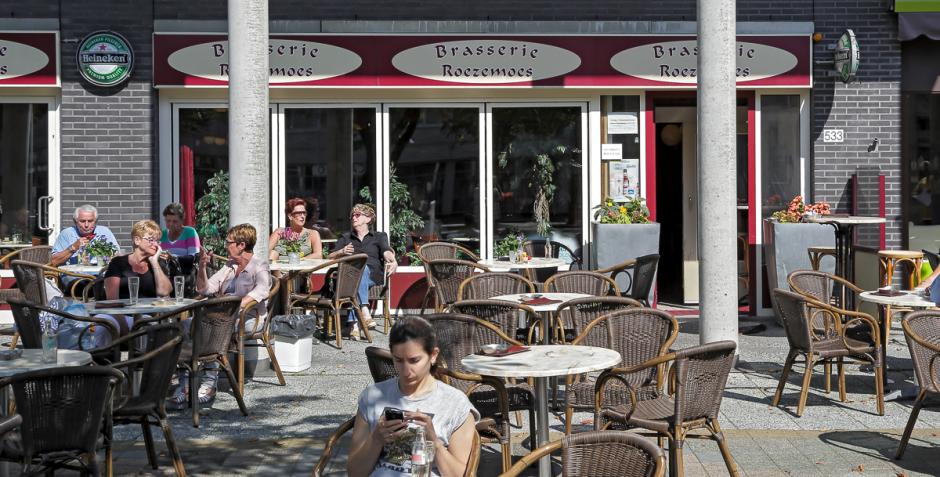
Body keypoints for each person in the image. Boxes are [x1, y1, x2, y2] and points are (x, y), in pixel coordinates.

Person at [348, 316, 477, 477]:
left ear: (433, 355)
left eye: (414, 360)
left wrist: (434, 442)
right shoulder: (372, 397)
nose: (406, 370)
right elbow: (354, 473)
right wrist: (376, 439)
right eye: (398, 360)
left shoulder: (455, 404)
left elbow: (460, 475)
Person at [168, 223, 270, 409]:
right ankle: (185, 383)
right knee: (183, 326)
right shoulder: (229, 266)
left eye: (228, 241)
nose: (225, 245)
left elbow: (262, 291)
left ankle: (209, 382)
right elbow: (205, 289)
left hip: (247, 319)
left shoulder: (259, 265)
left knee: (212, 328)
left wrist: (232, 307)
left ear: (241, 245)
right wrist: (202, 267)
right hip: (219, 316)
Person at [329, 204, 397, 339]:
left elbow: (386, 251)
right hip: (349, 277)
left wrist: (393, 260)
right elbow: (330, 256)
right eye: (352, 215)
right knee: (359, 268)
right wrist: (341, 251)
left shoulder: (379, 236)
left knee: (362, 268)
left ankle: (354, 324)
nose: (353, 218)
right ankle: (364, 312)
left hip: (373, 276)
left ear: (368, 218)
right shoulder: (346, 238)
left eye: (357, 215)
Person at [104, 219, 173, 301]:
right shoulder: (118, 263)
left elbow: (164, 292)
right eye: (151, 240)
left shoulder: (158, 263)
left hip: (149, 311)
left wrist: (154, 262)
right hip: (122, 311)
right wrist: (122, 314)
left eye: (157, 241)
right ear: (137, 240)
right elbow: (112, 299)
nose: (155, 244)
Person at [50, 204, 121, 267]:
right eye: (82, 221)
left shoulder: (104, 232)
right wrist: (73, 247)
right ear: (75, 222)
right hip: (73, 275)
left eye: (90, 221)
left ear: (95, 222)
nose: (86, 225)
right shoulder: (66, 234)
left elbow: (117, 255)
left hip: (100, 274)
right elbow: (54, 262)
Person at [269, 197, 323, 262]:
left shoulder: (312, 234)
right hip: (278, 270)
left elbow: (318, 255)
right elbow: (265, 252)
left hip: (302, 270)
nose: (302, 216)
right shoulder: (279, 232)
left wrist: (298, 259)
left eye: (304, 213)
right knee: (273, 253)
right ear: (290, 216)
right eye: (299, 213)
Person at [159, 202, 201, 274]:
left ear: (182, 220)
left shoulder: (190, 233)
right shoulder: (162, 235)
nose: (171, 224)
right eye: (168, 221)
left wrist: (173, 258)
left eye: (175, 221)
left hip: (185, 275)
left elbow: (194, 258)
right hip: (165, 275)